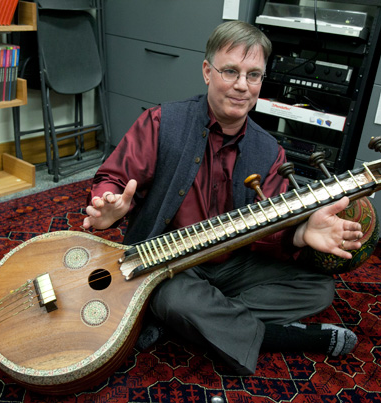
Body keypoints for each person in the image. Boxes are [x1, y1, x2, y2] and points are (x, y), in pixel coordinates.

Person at [83, 21, 363, 375]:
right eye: (230, 71)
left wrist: (300, 234)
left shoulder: (270, 151)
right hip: (168, 264)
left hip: (232, 263)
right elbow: (113, 179)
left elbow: (269, 231)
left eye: (253, 75)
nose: (242, 85)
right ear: (207, 71)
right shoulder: (162, 122)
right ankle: (277, 336)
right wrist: (108, 206)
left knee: (318, 289)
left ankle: (189, 319)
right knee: (174, 297)